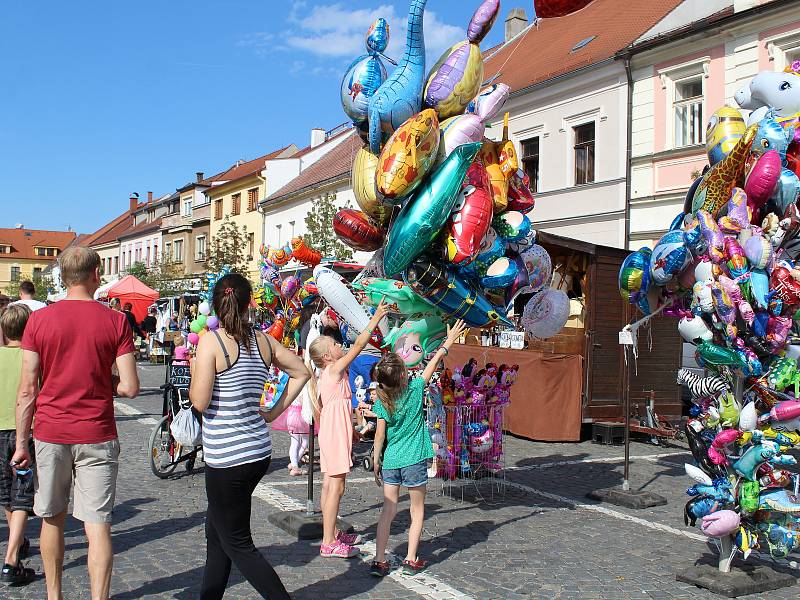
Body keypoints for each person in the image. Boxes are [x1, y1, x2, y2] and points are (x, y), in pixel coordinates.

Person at [12, 246, 140, 600]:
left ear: (63, 278)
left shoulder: (38, 321)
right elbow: (129, 387)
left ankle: (55, 595)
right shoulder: (115, 321)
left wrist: (22, 443)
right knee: (98, 525)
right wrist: (101, 380)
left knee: (52, 518)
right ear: (96, 275)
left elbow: (27, 389)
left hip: (51, 432)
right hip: (96, 431)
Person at [190, 273, 309, 600]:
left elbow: (199, 401)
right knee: (216, 535)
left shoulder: (211, 342)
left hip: (227, 458)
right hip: (257, 451)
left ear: (216, 304)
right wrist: (273, 411)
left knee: (237, 543)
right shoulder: (263, 341)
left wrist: (194, 372)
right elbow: (302, 371)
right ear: (248, 305)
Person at [370, 320, 468, 578]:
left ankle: (379, 560)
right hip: (414, 459)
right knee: (417, 510)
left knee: (387, 512)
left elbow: (380, 435)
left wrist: (376, 460)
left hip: (391, 460)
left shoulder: (382, 400)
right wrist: (449, 341)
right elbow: (433, 362)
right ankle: (410, 558)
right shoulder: (414, 389)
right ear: (403, 375)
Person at [307, 300, 389, 558]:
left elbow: (340, 410)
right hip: (334, 432)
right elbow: (358, 346)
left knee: (330, 485)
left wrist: (352, 430)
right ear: (328, 356)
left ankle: (329, 533)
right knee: (336, 486)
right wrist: (374, 319)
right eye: (334, 345)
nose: (339, 345)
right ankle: (328, 541)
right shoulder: (333, 369)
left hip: (335, 431)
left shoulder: (332, 374)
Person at [0, 304, 35, 585]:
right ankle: (11, 560)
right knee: (22, 492)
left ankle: (19, 539)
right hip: (25, 432)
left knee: (5, 492)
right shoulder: (32, 357)